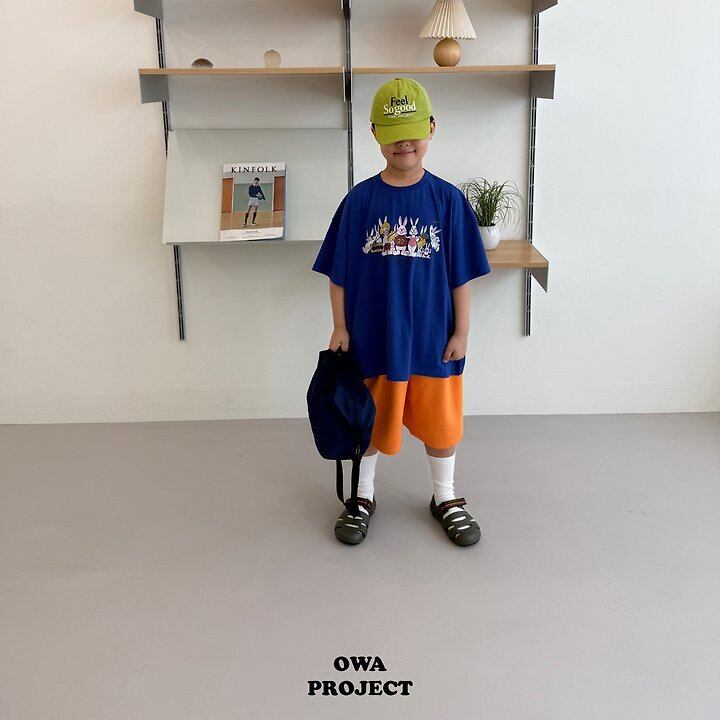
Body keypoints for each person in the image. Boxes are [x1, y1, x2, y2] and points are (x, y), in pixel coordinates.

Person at [311, 77, 492, 547]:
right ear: (375, 133)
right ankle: (363, 495)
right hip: (374, 337)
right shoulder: (360, 201)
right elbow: (338, 273)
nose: (404, 143)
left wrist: (462, 332)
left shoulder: (447, 200)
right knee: (368, 421)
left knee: (441, 423)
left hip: (432, 337)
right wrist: (340, 325)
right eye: (393, 134)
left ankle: (445, 496)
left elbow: (460, 276)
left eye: (412, 132)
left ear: (431, 128)